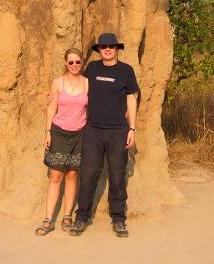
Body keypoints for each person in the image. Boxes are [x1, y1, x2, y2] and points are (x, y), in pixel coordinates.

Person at [70, 33, 138, 238]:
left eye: (111, 46)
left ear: (117, 48)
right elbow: (76, 86)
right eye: (103, 46)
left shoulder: (126, 71)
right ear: (99, 50)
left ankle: (118, 218)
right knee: (89, 174)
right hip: (93, 130)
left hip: (118, 131)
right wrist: (54, 95)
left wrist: (132, 129)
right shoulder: (92, 69)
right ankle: (82, 216)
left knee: (117, 176)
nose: (107, 49)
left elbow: (132, 100)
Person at [35, 48, 88, 236]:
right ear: (66, 63)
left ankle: (67, 216)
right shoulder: (58, 83)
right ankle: (48, 219)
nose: (74, 65)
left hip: (79, 134)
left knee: (72, 176)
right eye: (71, 62)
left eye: (78, 62)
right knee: (55, 176)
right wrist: (48, 131)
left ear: (82, 63)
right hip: (58, 132)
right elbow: (51, 108)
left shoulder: (87, 84)